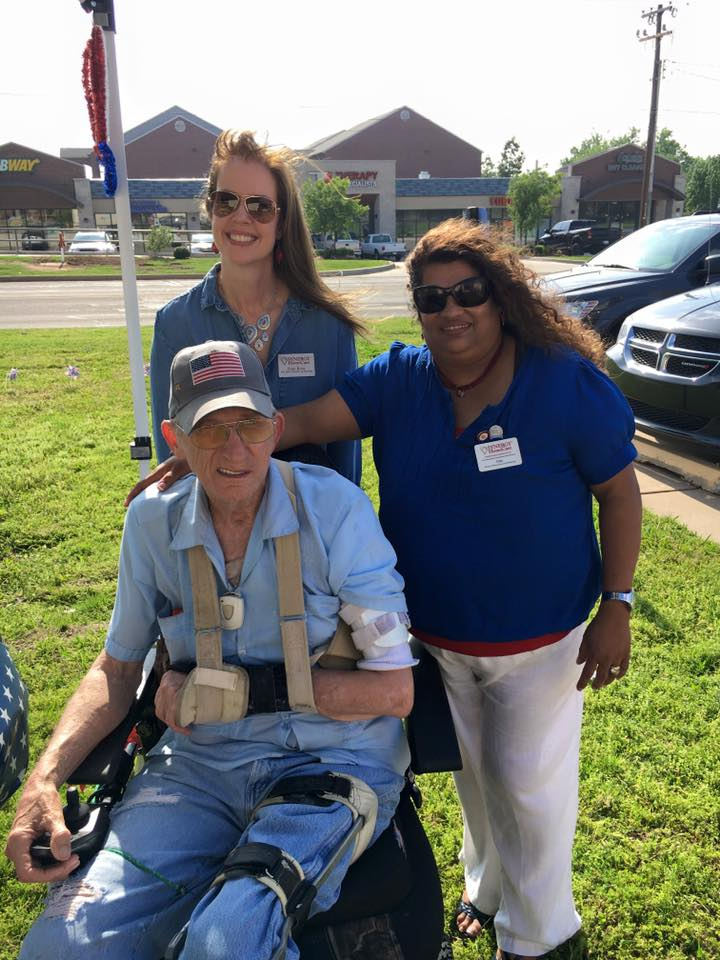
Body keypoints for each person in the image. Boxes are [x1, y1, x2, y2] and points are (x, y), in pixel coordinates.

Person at [272, 218, 643, 959]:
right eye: (432, 299)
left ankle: (540, 935)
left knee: (526, 785)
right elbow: (302, 421)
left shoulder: (562, 383)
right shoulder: (399, 378)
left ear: (500, 297)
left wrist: (618, 606)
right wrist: (217, 445)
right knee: (474, 775)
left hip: (541, 640)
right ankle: (487, 889)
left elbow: (621, 493)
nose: (452, 312)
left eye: (468, 292)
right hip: (435, 636)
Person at [6, 340, 415, 960]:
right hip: (198, 771)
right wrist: (43, 779)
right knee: (62, 946)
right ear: (175, 437)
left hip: (332, 764)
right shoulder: (152, 523)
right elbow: (117, 668)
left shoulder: (334, 510)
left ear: (275, 427)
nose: (234, 448)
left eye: (250, 424)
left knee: (228, 941)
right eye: (210, 427)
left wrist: (237, 692)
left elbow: (395, 691)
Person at [148, 129, 362, 484]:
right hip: (218, 533)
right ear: (210, 211)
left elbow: (344, 469)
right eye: (226, 201)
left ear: (281, 223)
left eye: (260, 206)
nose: (241, 217)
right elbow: (174, 460)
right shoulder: (176, 325)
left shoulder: (328, 326)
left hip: (310, 530)